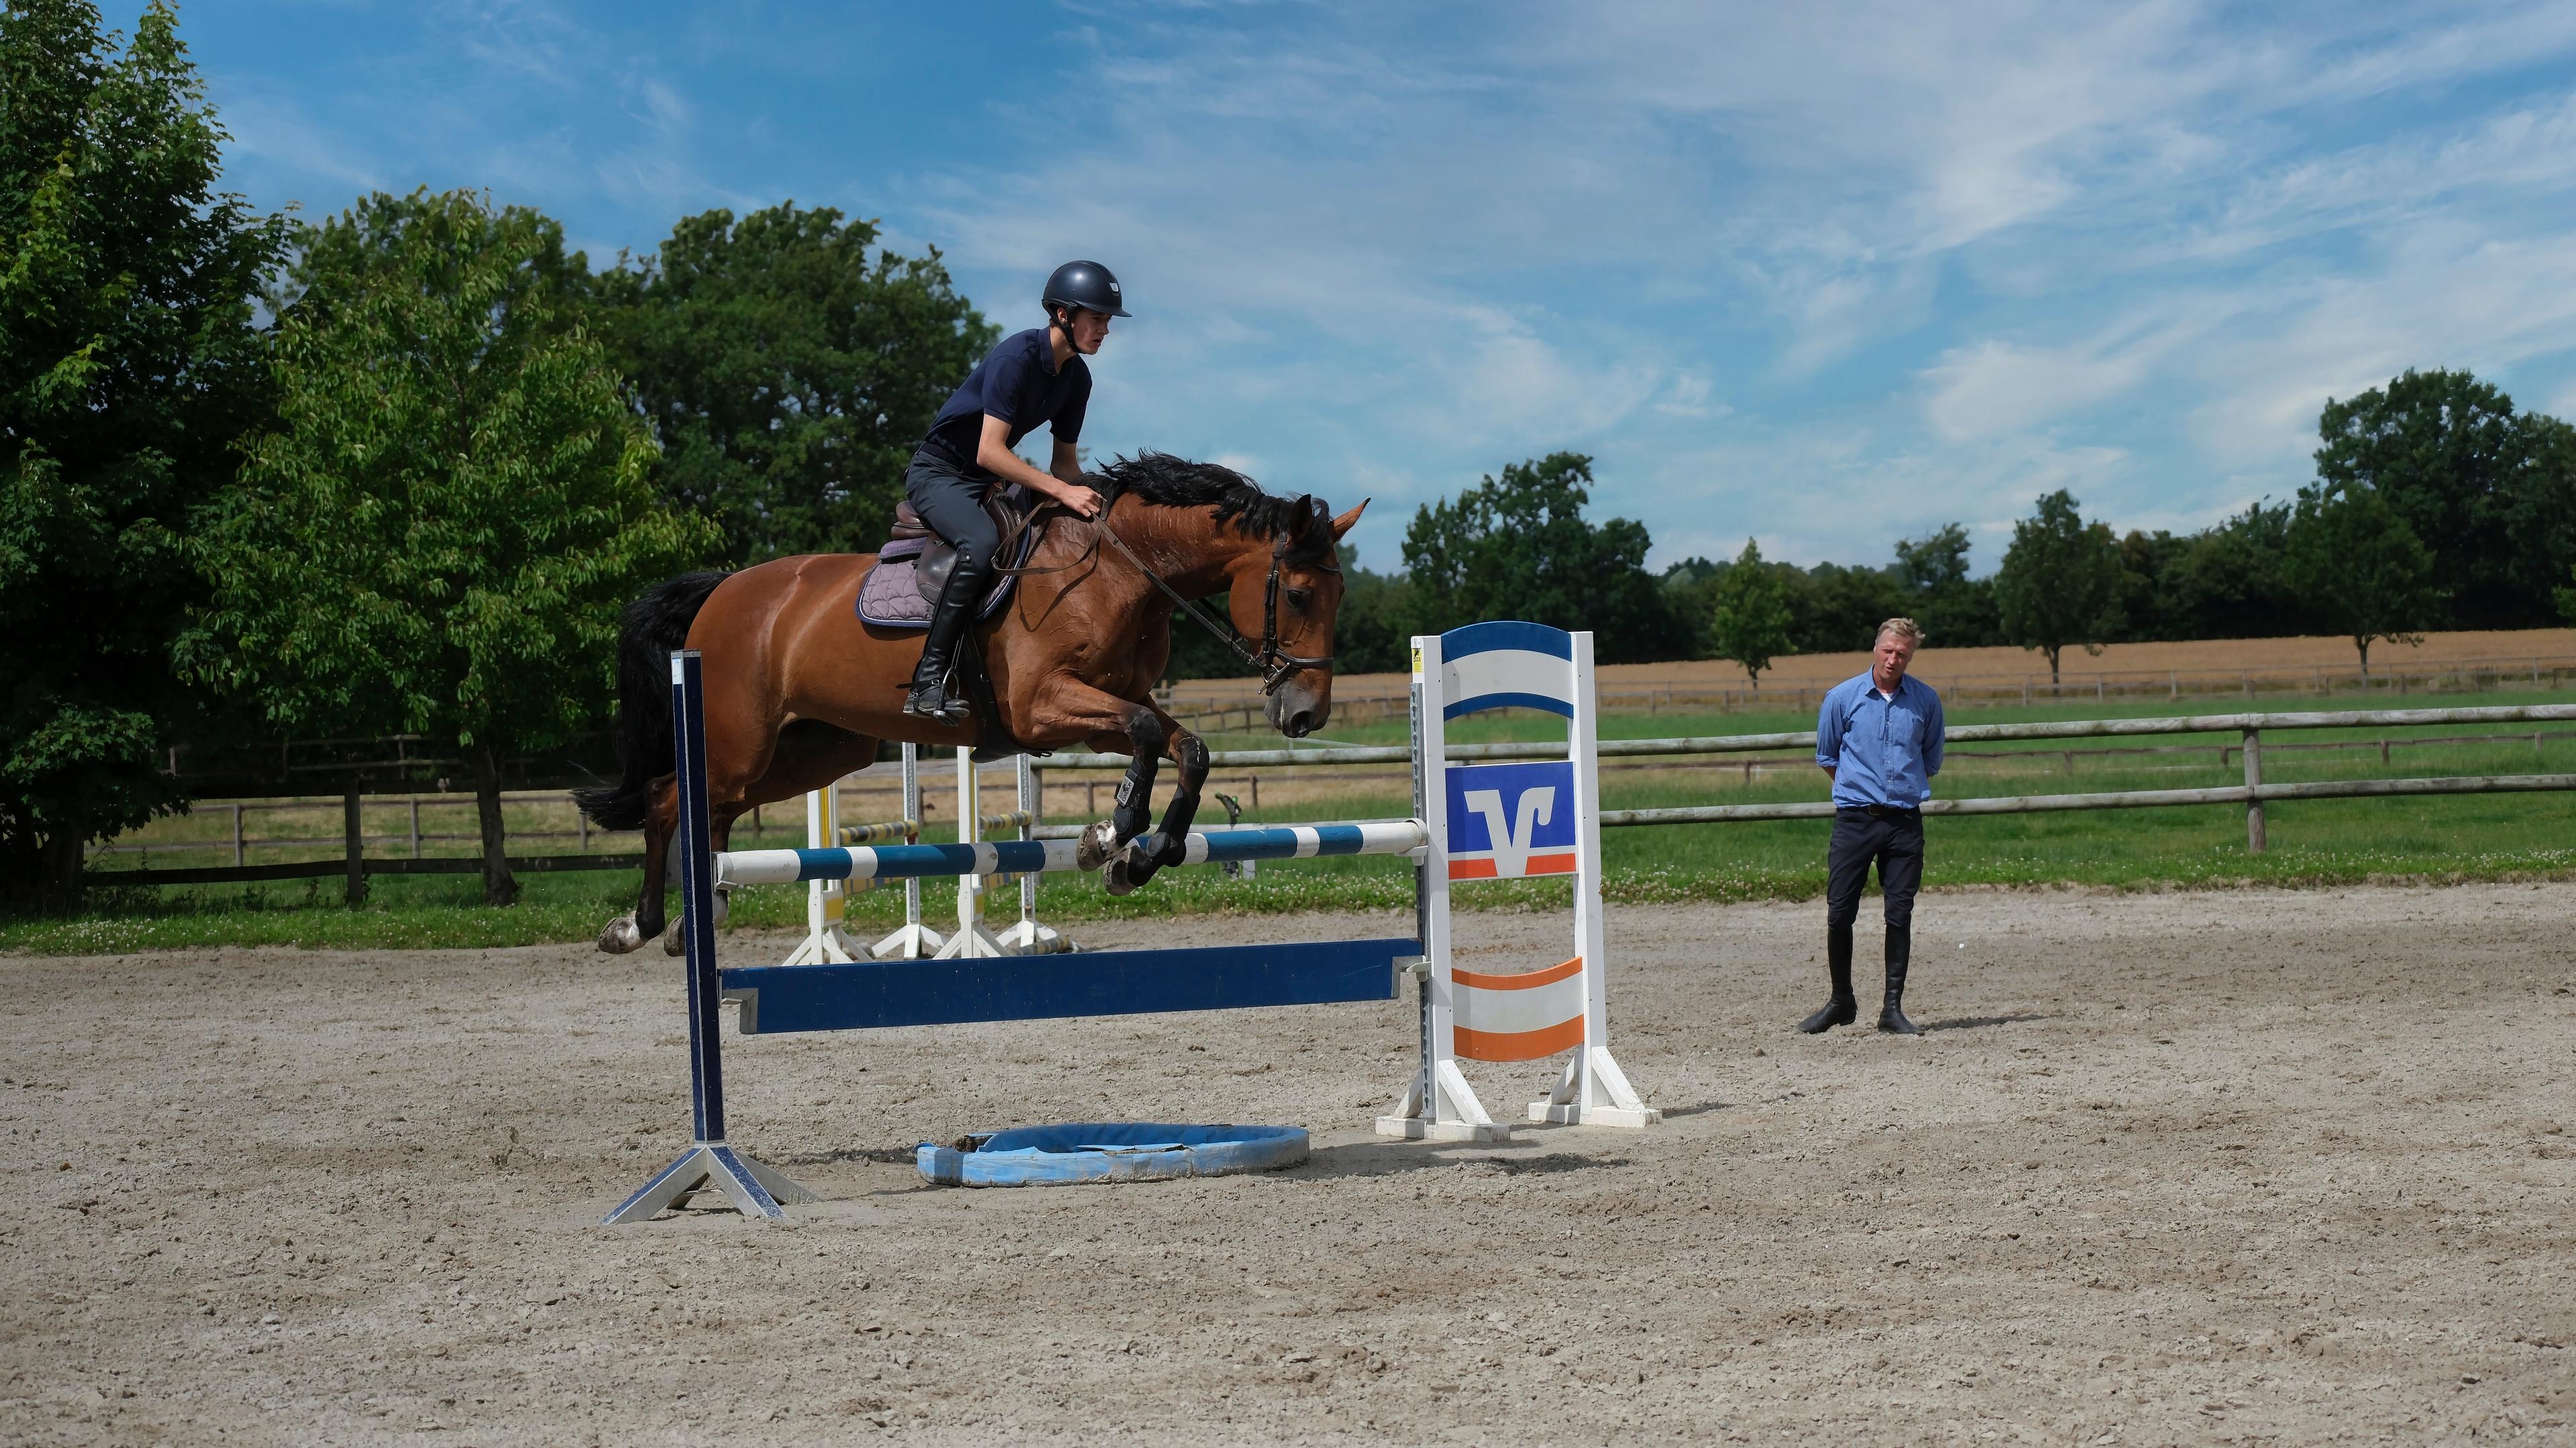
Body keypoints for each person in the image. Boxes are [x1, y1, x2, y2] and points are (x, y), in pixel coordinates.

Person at [900, 260, 1126, 723]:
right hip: (938, 474)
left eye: (1107, 321)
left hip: (986, 482)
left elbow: (1065, 464)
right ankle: (927, 681)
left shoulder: (1078, 379)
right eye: (1097, 318)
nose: (1105, 329)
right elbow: (989, 452)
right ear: (1064, 314)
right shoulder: (1015, 359)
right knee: (981, 543)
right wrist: (1062, 490)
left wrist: (1101, 509)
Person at [1801, 617, 1945, 1036]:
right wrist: (1861, 791)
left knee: (1899, 913)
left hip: (1904, 823)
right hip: (1855, 821)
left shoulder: (1925, 701)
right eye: (1888, 650)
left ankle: (1892, 1009)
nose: (1893, 658)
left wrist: (1895, 792)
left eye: (1902, 653)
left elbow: (1930, 759)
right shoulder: (1842, 698)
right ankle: (1840, 1001)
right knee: (1839, 912)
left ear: (1911, 656)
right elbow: (1828, 756)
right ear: (1876, 647)